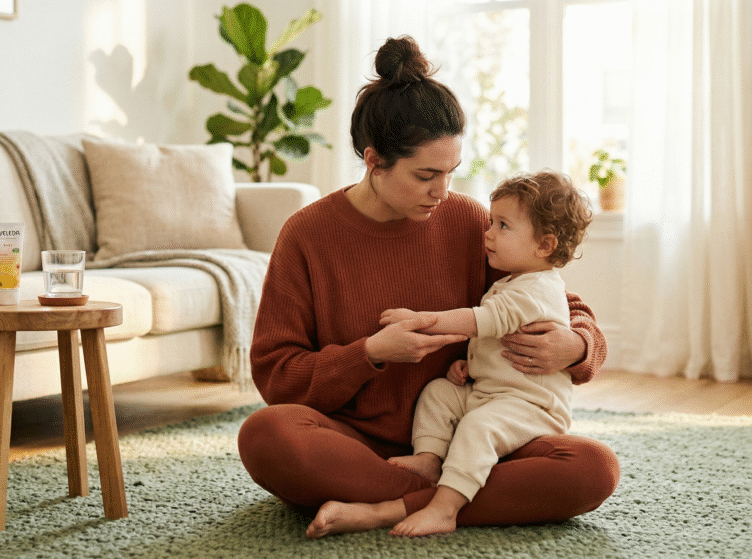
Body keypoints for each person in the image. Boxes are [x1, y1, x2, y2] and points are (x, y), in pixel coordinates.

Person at [237, 35, 619, 539]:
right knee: (267, 436)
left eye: (451, 173)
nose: (443, 191)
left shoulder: (464, 221)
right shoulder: (307, 235)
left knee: (592, 466)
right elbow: (278, 376)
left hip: (472, 433)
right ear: (374, 161)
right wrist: (370, 352)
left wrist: (576, 347)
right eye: (425, 175)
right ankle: (442, 498)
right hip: (355, 442)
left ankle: (392, 506)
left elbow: (557, 300)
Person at [377, 169, 594, 537]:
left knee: (478, 428)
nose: (488, 233)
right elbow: (495, 337)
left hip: (530, 407)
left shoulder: (535, 290)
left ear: (544, 245)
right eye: (491, 221)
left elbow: (480, 321)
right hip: (490, 394)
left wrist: (421, 320)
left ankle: (444, 509)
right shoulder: (515, 280)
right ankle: (430, 460)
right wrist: (472, 364)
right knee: (438, 394)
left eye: (503, 226)